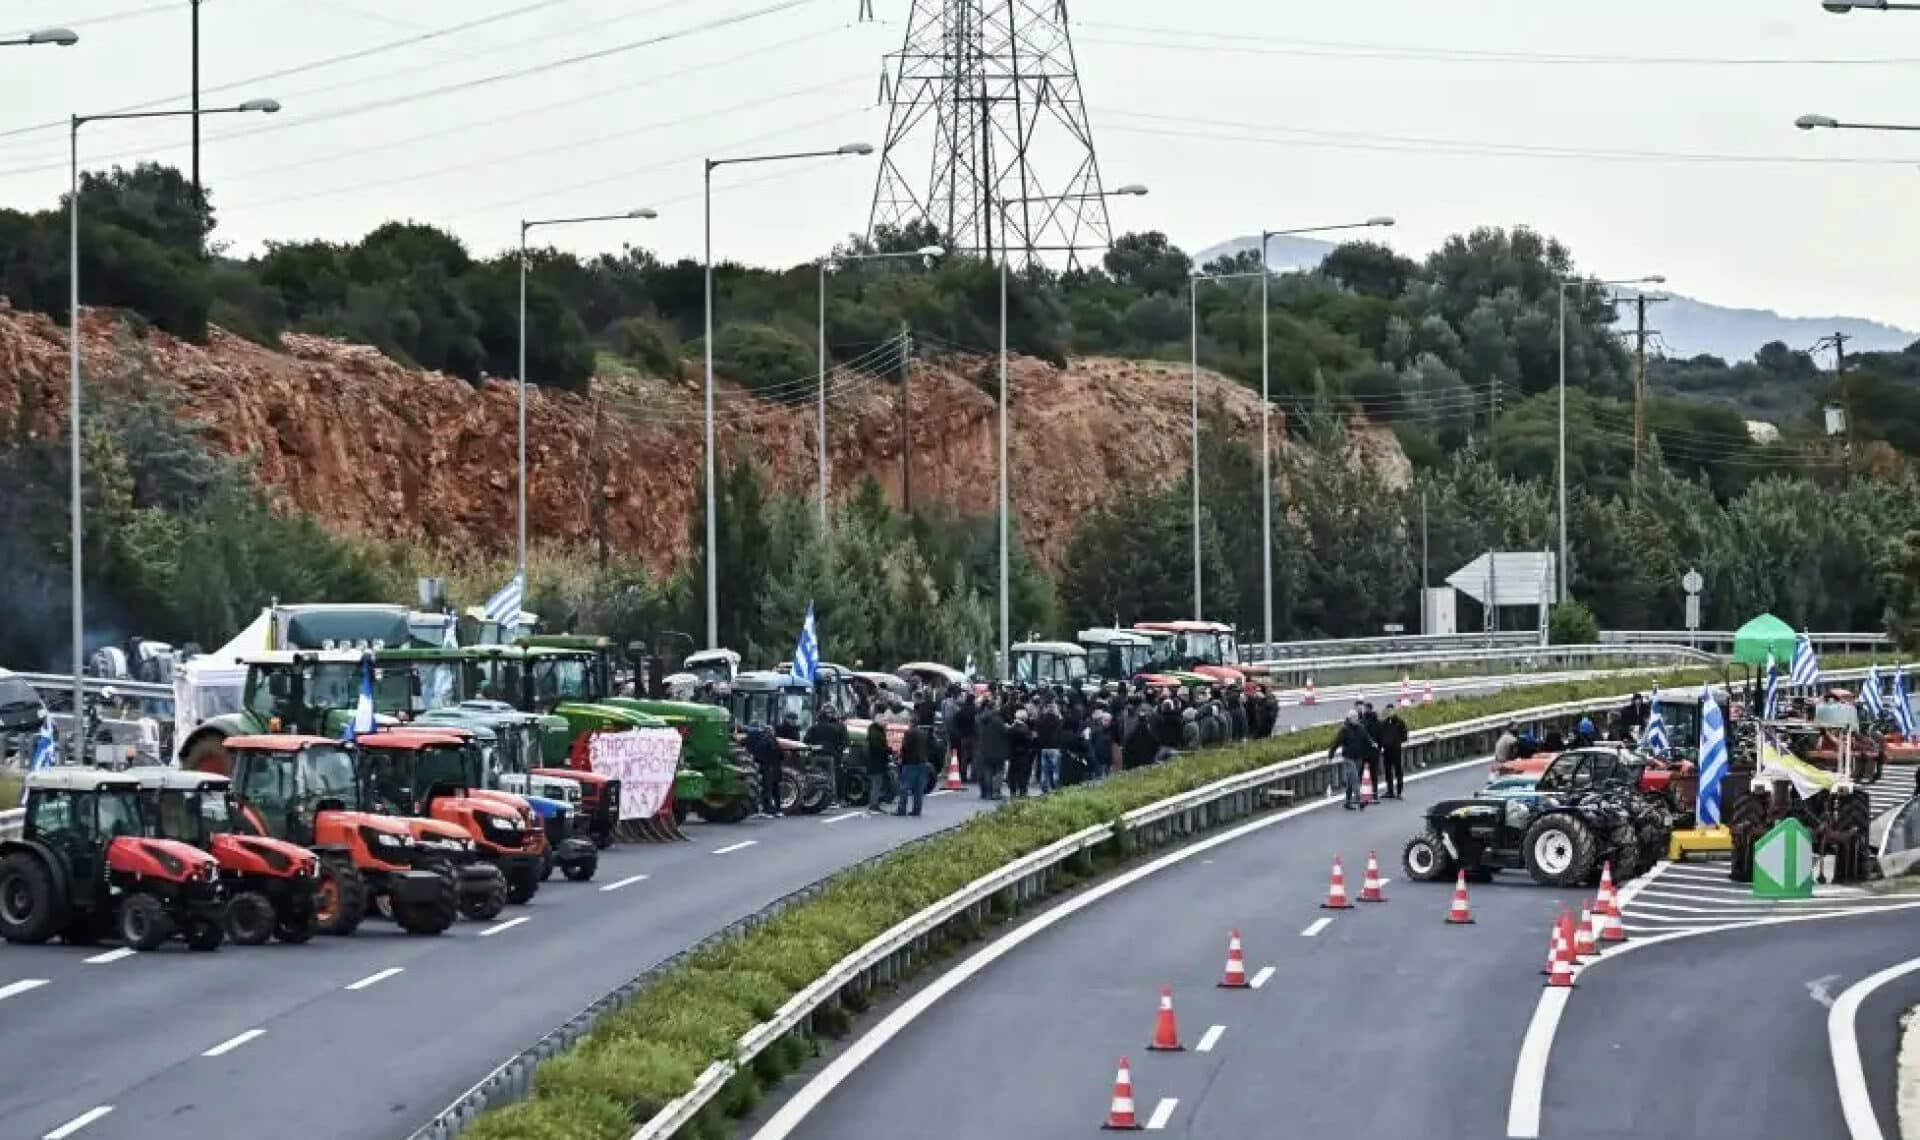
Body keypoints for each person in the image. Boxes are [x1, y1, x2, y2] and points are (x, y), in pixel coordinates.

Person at [803, 706, 849, 807]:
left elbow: (806, 740)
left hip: (816, 755)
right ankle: (832, 799)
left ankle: (814, 797)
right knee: (831, 777)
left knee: (815, 776)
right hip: (831, 755)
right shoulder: (836, 727)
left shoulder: (813, 728)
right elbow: (843, 742)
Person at [1327, 712, 1372, 811]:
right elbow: (1336, 743)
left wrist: (1373, 746)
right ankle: (1360, 800)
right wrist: (1330, 756)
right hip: (1348, 758)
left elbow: (1367, 739)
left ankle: (1347, 802)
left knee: (1350, 780)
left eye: (1356, 717)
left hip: (1358, 757)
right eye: (1353, 717)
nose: (1356, 719)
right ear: (1349, 718)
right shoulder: (1344, 729)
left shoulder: (1361, 728)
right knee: (1355, 778)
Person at [896, 713, 931, 817]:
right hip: (922, 762)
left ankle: (902, 809)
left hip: (910, 762)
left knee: (904, 787)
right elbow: (929, 746)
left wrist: (900, 758)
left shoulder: (908, 733)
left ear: (910, 722)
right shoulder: (924, 733)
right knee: (918, 788)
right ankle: (917, 810)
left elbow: (904, 747)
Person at [746, 724, 784, 818]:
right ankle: (777, 810)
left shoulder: (761, 741)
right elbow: (781, 755)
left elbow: (758, 755)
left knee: (767, 789)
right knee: (776, 790)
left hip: (767, 768)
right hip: (776, 768)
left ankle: (767, 810)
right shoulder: (775, 741)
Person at [974, 700, 1008, 800]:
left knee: (987, 771)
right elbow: (1005, 731)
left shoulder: (980, 719)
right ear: (994, 708)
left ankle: (988, 792)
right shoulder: (998, 720)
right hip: (998, 749)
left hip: (984, 748)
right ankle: (996, 792)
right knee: (999, 770)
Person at [863, 717, 893, 813]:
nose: (886, 723)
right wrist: (888, 750)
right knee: (876, 783)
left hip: (876, 762)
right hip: (876, 762)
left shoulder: (874, 731)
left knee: (877, 783)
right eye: (885, 721)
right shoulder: (876, 733)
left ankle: (874, 803)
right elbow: (878, 747)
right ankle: (874, 804)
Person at [1378, 705, 1408, 799]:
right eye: (1388, 711)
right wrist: (1381, 746)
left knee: (1398, 771)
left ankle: (1399, 792)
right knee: (1388, 771)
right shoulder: (1384, 723)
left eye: (1391, 710)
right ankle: (1390, 791)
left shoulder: (1400, 722)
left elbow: (1404, 735)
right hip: (1387, 750)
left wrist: (1397, 742)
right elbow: (1381, 736)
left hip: (1396, 750)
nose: (1389, 712)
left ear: (1394, 711)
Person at [1007, 708, 1037, 797]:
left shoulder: (1011, 728)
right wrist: (1033, 739)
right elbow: (1029, 741)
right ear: (1024, 718)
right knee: (1022, 773)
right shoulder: (1024, 729)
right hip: (1023, 754)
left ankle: (1013, 790)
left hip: (1013, 753)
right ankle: (1023, 791)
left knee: (1013, 772)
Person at [1036, 701, 1064, 793]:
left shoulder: (1041, 719)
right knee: (1055, 770)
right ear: (1055, 709)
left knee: (1045, 770)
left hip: (1044, 747)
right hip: (1054, 747)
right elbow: (1061, 732)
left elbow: (1037, 731)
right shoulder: (1058, 720)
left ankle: (1044, 786)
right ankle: (1056, 787)